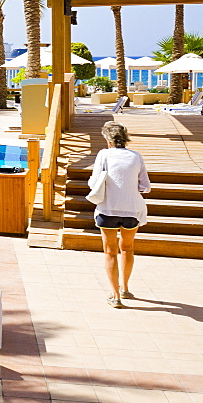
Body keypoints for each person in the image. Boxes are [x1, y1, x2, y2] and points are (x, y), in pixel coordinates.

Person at [89, 121, 150, 308]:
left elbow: (93, 182)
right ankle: (125, 287)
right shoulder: (136, 156)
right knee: (128, 249)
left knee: (110, 252)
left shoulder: (104, 154)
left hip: (108, 209)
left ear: (108, 140)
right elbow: (145, 187)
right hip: (132, 210)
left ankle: (115, 296)